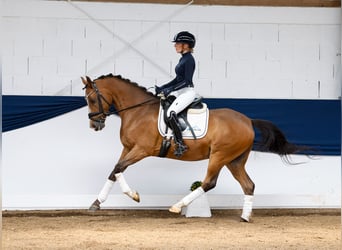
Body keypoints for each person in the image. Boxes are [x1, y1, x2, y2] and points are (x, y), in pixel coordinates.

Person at [155, 31, 197, 157]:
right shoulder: (183, 59)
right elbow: (177, 79)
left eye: (177, 43)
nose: (175, 45)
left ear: (185, 45)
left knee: (171, 113)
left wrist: (170, 90)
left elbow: (186, 81)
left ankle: (180, 143)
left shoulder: (189, 59)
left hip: (187, 92)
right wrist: (164, 87)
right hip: (181, 91)